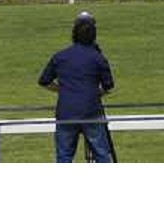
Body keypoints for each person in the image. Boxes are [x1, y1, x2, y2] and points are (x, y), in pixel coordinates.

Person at [38, 11, 115, 163]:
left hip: (66, 113)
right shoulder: (98, 58)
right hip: (91, 112)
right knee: (101, 154)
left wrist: (62, 90)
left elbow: (44, 81)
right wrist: (94, 93)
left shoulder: (60, 56)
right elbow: (108, 86)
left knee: (64, 157)